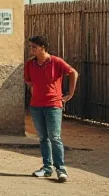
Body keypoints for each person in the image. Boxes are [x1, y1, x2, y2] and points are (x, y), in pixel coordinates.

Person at [24, 35, 79, 183]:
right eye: (30, 47)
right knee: (43, 137)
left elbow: (73, 72)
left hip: (53, 105)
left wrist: (70, 94)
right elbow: (29, 82)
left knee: (55, 137)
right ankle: (47, 167)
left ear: (42, 47)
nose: (31, 49)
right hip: (36, 105)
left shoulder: (56, 61)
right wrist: (34, 91)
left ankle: (61, 168)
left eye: (34, 47)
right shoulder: (30, 63)